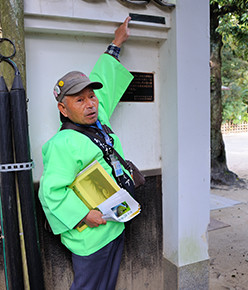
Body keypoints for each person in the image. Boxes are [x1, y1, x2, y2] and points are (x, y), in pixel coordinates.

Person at [38, 17, 134, 290]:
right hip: (91, 235)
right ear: (63, 109)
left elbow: (105, 77)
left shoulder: (96, 118)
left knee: (107, 285)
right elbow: (51, 192)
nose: (91, 104)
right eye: (80, 100)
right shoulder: (63, 143)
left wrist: (116, 43)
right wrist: (83, 215)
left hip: (115, 224)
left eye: (91, 96)